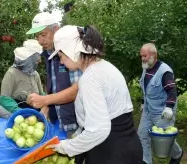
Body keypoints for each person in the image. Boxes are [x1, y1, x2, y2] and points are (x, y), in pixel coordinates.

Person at [46, 25, 143, 164]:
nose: (61, 61)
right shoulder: (105, 67)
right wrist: (77, 137)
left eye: (61, 56)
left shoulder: (90, 78)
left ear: (71, 51)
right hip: (129, 145)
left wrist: (66, 147)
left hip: (111, 153)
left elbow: (98, 130)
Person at [26, 12, 82, 137]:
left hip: (77, 123)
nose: (40, 41)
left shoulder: (70, 51)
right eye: (37, 36)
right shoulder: (48, 54)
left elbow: (78, 90)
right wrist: (46, 104)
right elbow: (56, 85)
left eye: (43, 34)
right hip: (61, 122)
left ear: (56, 29)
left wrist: (45, 100)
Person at [137, 43, 184, 164]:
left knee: (163, 138)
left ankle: (178, 154)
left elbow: (172, 91)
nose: (142, 58)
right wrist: (143, 102)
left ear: (153, 55)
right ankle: (146, 161)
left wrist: (169, 108)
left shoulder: (165, 71)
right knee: (142, 134)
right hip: (148, 110)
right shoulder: (146, 68)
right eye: (141, 55)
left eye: (145, 55)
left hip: (162, 111)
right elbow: (145, 88)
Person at [0, 39, 44, 110]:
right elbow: (4, 99)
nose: (40, 61)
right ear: (29, 59)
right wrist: (19, 111)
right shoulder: (11, 74)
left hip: (35, 114)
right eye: (37, 58)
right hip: (18, 115)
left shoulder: (35, 74)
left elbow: (42, 94)